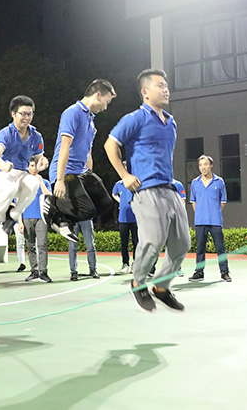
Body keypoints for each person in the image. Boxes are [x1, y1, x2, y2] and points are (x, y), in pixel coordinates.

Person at [105, 69, 191, 313]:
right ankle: (138, 282)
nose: (166, 89)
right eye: (159, 85)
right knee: (153, 240)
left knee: (182, 244)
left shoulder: (170, 122)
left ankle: (161, 288)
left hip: (170, 188)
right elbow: (110, 145)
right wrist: (125, 175)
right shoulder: (135, 118)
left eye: (166, 85)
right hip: (146, 189)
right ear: (145, 92)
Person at [41, 80, 117, 241]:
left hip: (82, 172)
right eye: (107, 102)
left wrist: (90, 175)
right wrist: (59, 180)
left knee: (105, 203)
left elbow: (88, 151)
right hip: (67, 172)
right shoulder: (72, 113)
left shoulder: (90, 119)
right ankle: (51, 203)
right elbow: (64, 147)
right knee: (87, 210)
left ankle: (65, 219)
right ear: (98, 95)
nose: (106, 107)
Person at [0, 95, 49, 239]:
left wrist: (41, 164)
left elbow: (39, 160)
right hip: (0, 174)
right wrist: (4, 166)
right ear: (13, 114)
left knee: (34, 182)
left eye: (30, 114)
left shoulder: (36, 136)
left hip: (22, 174)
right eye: (23, 114)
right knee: (10, 187)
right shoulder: (5, 133)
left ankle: (13, 216)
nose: (27, 118)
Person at [188, 155, 231, 283]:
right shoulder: (195, 182)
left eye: (205, 164)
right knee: (200, 249)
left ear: (211, 165)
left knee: (220, 248)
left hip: (215, 221)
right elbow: (193, 202)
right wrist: (201, 213)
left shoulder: (219, 181)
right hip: (200, 222)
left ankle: (224, 272)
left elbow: (222, 202)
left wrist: (214, 213)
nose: (203, 167)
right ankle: (199, 272)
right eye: (201, 165)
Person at [19, 157, 53, 282]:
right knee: (30, 246)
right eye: (31, 166)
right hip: (26, 218)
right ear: (28, 167)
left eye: (36, 166)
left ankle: (43, 272)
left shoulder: (45, 182)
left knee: (42, 245)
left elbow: (49, 196)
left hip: (41, 218)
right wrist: (20, 222)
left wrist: (41, 183)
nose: (34, 168)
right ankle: (34, 271)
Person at [112, 172, 137, 274]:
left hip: (136, 218)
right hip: (123, 218)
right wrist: (120, 201)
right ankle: (125, 264)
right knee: (124, 243)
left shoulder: (135, 183)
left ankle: (136, 263)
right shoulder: (119, 184)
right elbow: (113, 194)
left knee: (137, 242)